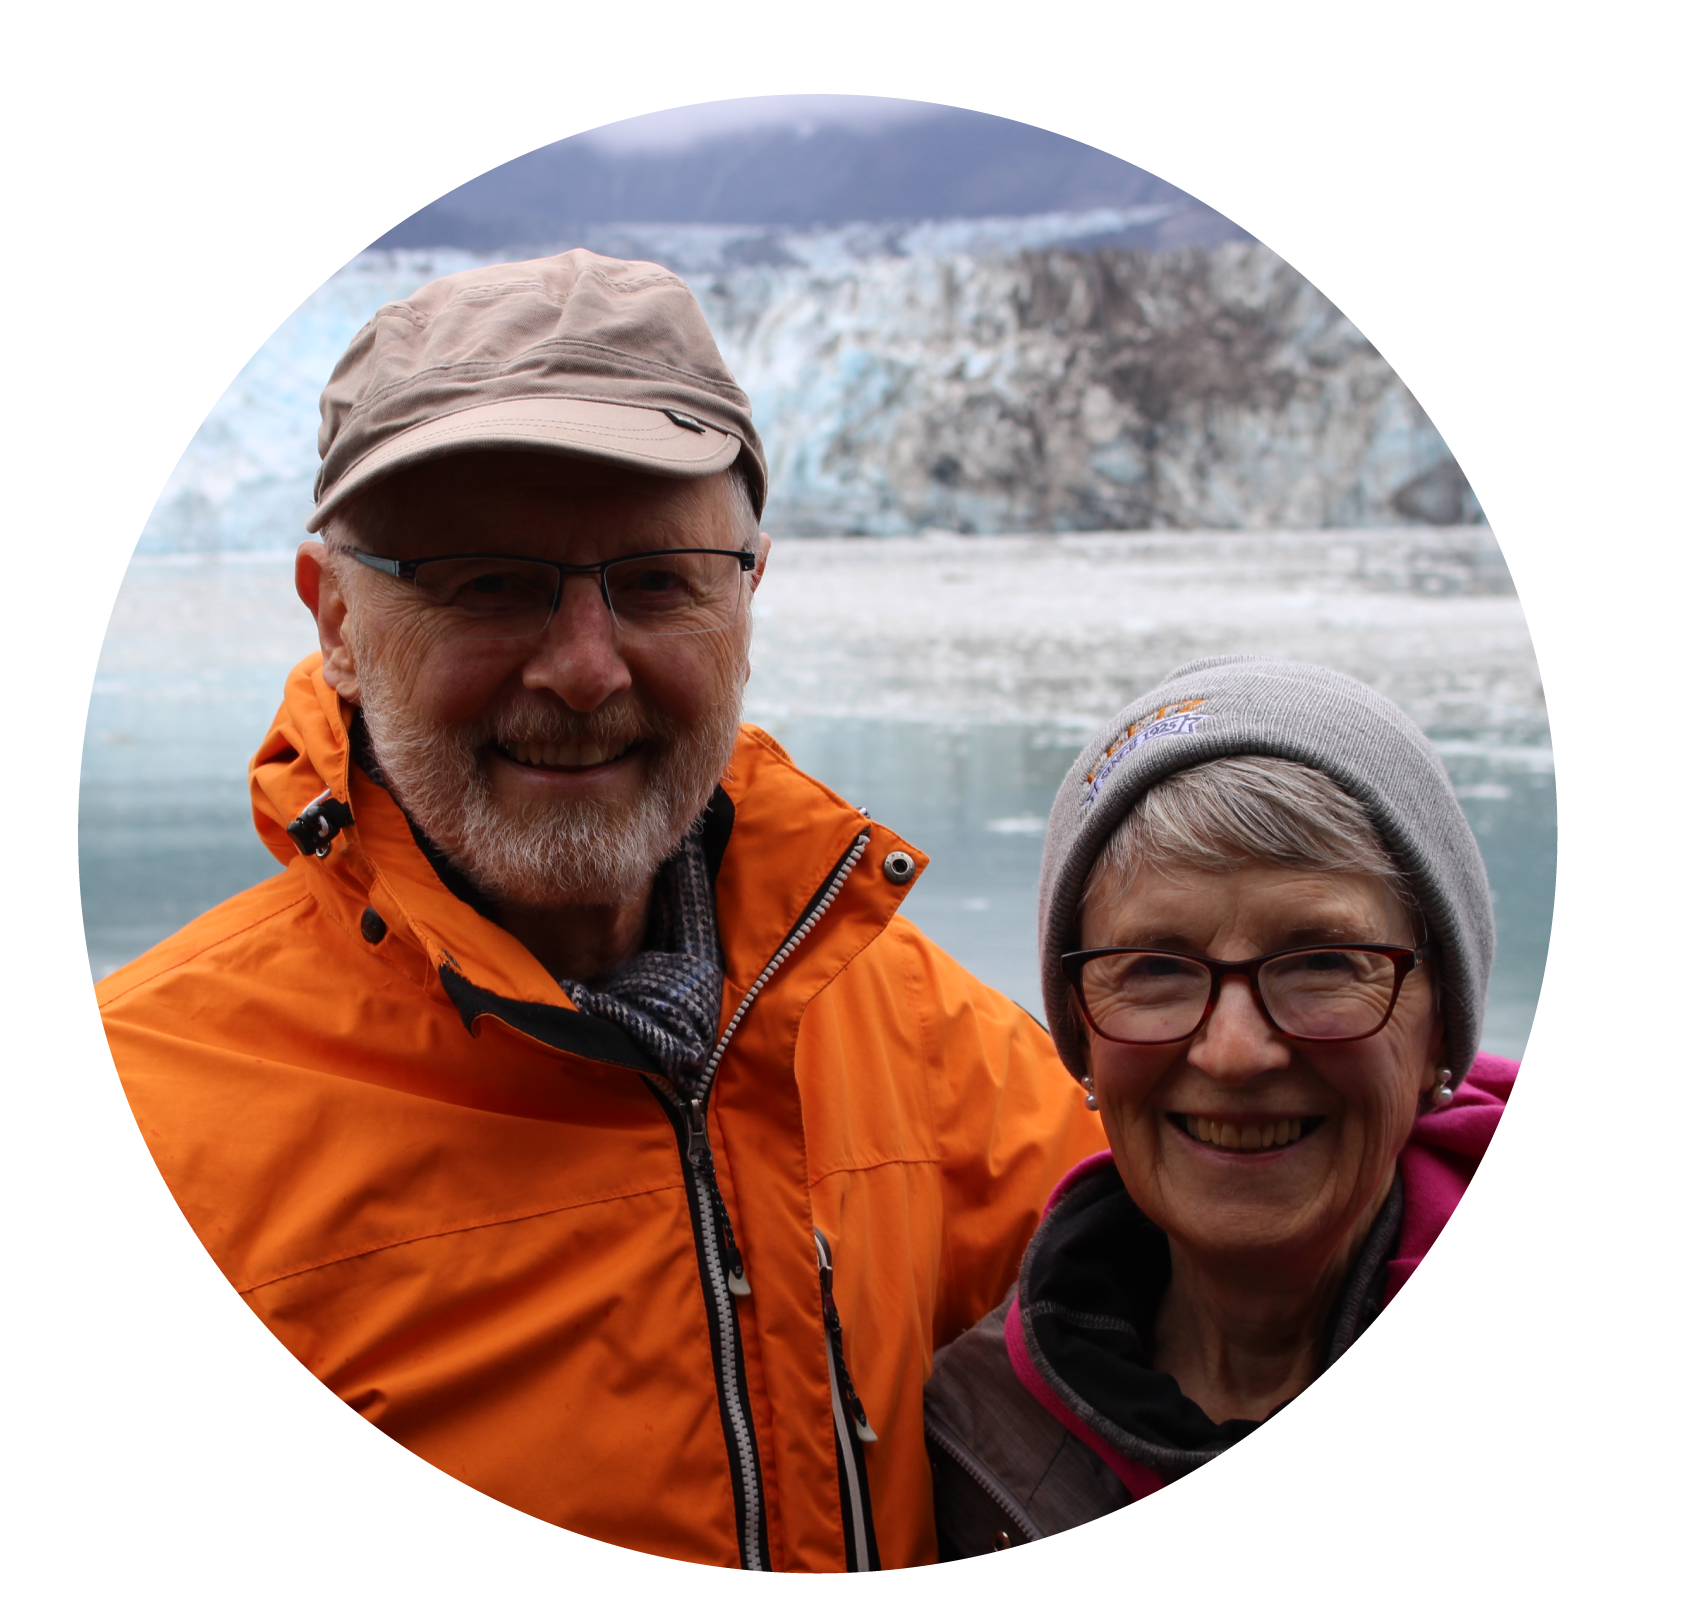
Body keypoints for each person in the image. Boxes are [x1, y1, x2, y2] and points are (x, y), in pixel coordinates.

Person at [95, 249, 1103, 1573]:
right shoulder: (153, 1112)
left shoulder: (911, 1028)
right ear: (335, 613)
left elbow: (1209, 1296)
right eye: (487, 581)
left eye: (656, 579)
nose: (582, 666)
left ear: (747, 589)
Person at [926, 654, 1531, 1568]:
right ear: (1082, 1041)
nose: (1236, 1052)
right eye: (1156, 969)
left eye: (1325, 960)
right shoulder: (983, 1428)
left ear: (1443, 1028)